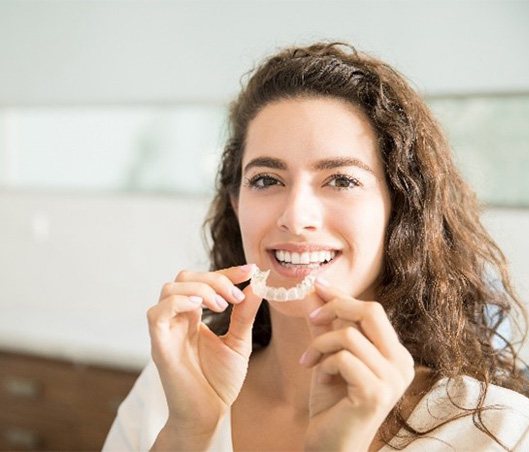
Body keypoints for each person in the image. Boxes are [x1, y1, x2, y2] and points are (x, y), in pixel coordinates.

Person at [103, 42, 529, 451]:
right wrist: (187, 434)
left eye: (341, 180)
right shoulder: (169, 393)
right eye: (266, 180)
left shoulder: (496, 431)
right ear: (237, 204)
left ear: (401, 209)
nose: (295, 215)